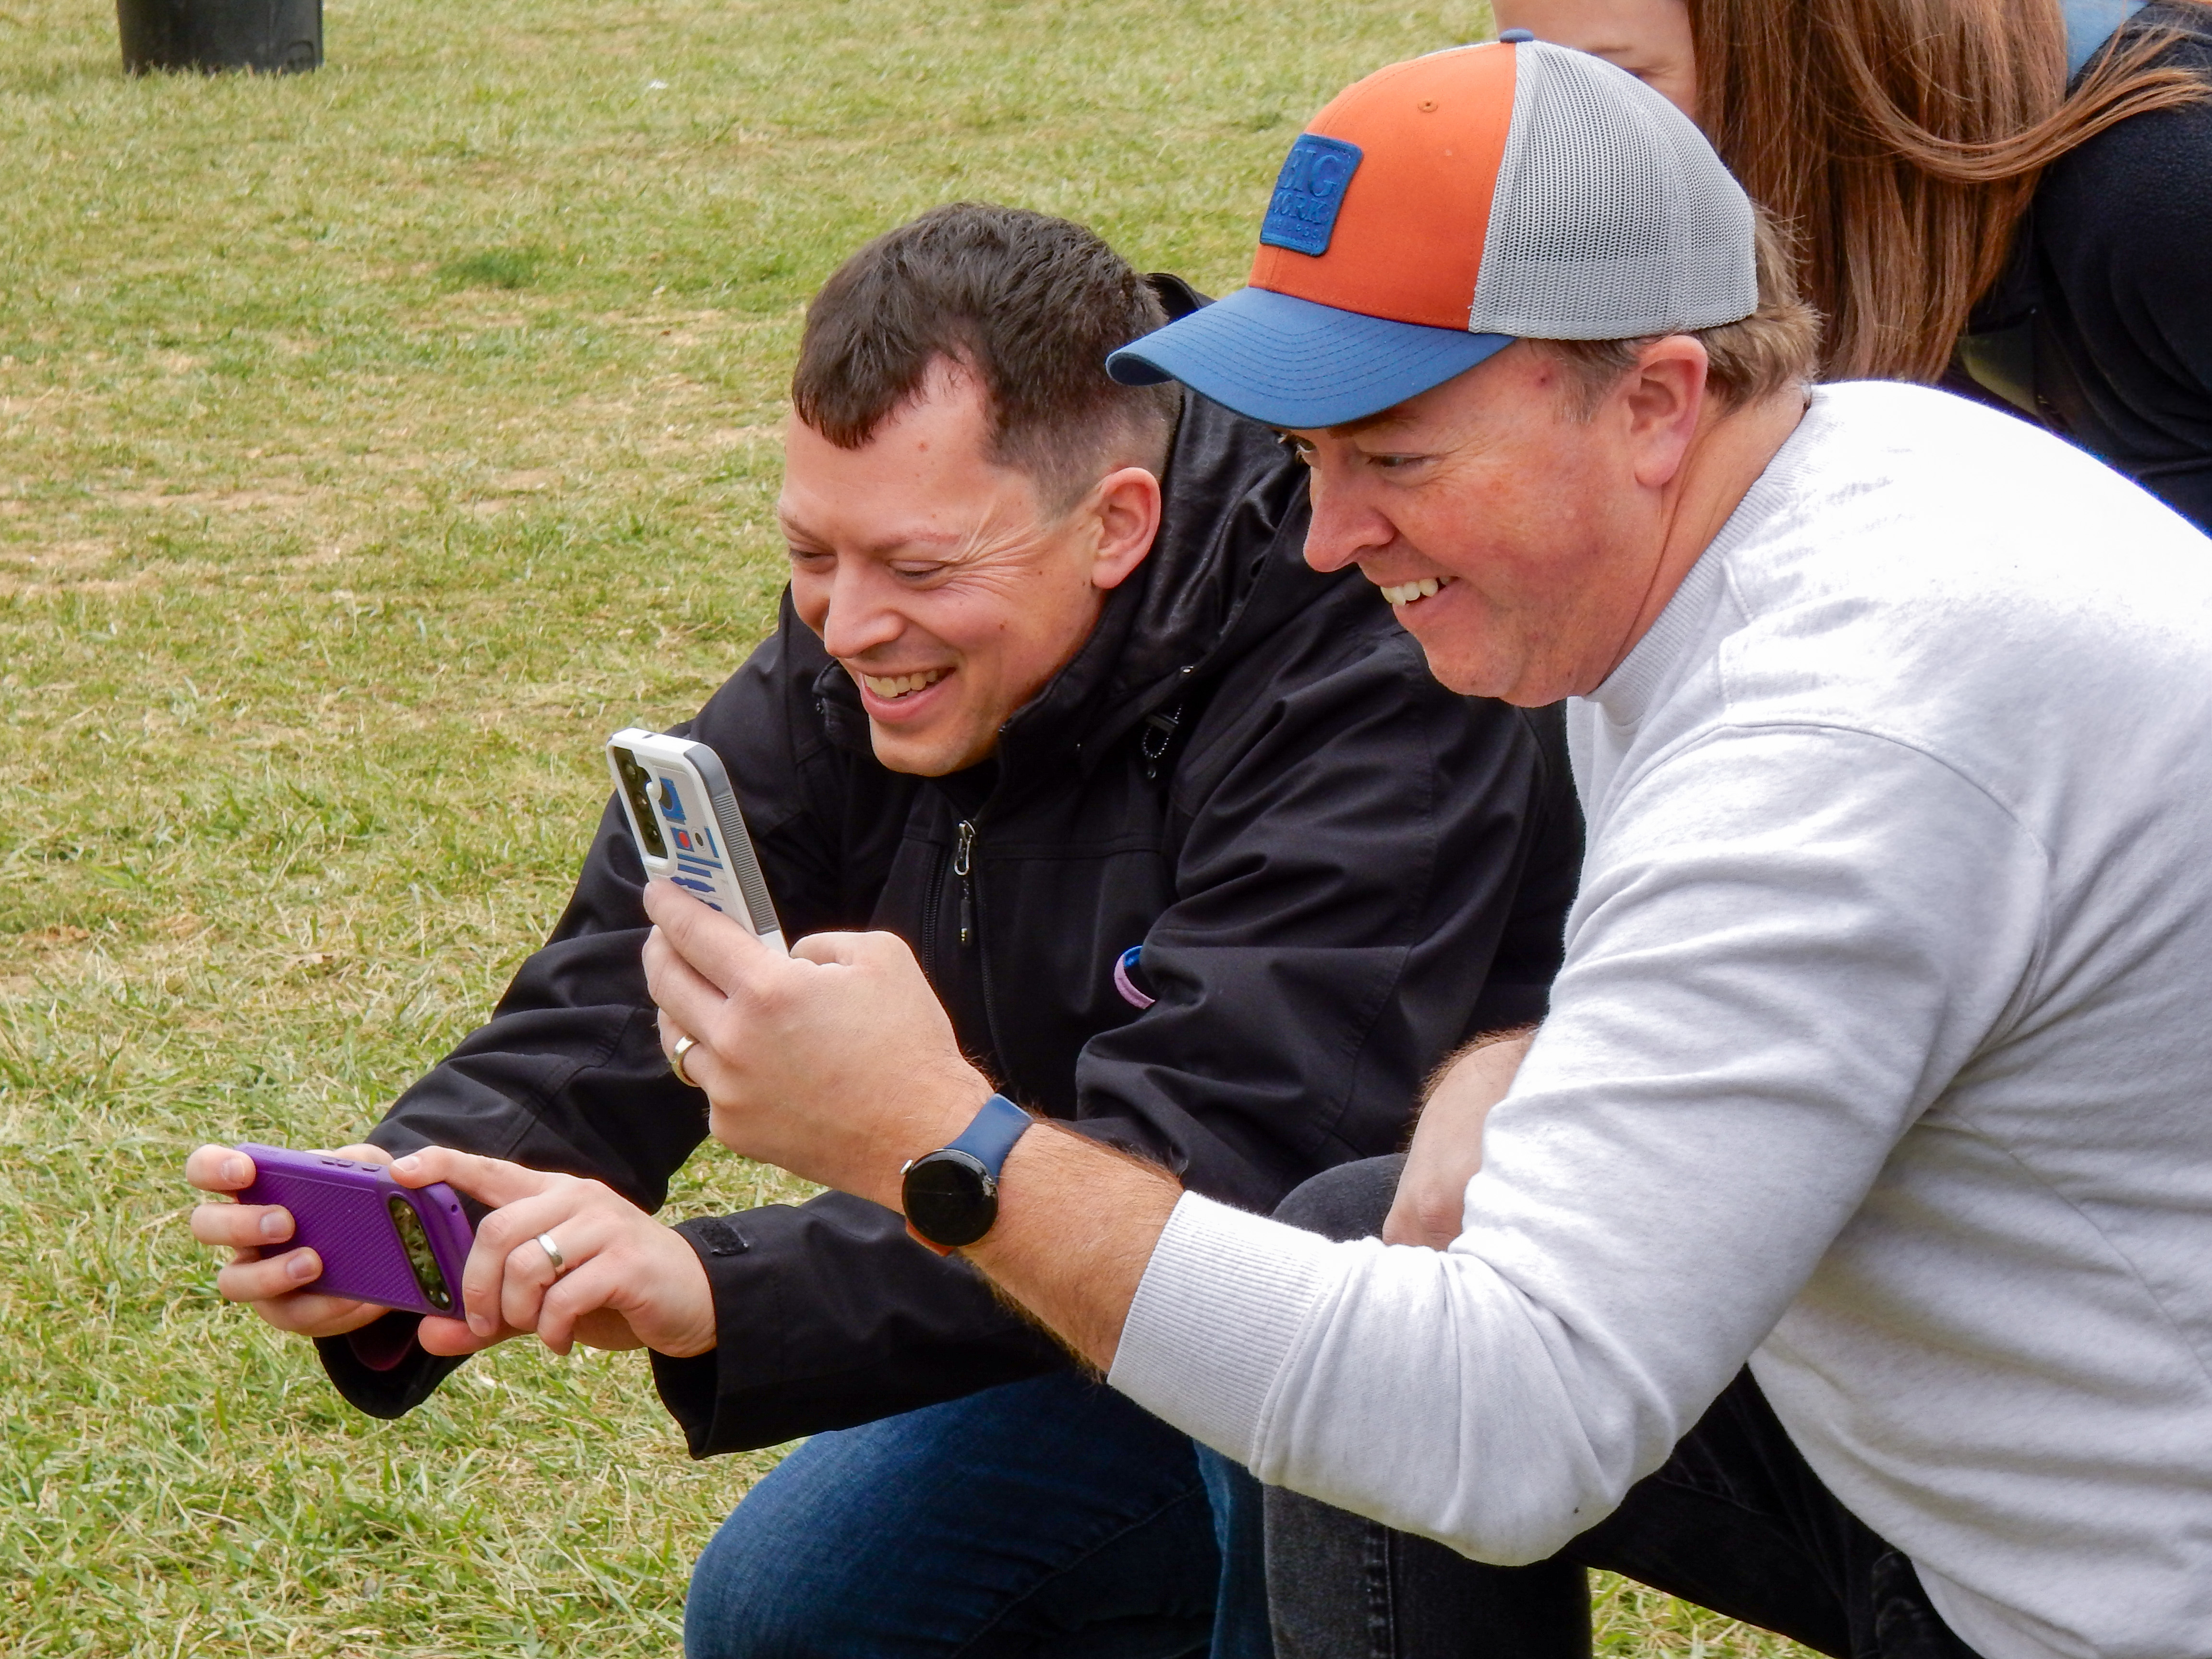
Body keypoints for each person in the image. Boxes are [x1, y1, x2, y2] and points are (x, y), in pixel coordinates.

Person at [593, 38, 2212, 1659]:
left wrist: (937, 1138)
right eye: (1309, 457)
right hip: (1945, 1446)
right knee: (1364, 1229)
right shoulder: (1800, 500)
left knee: (1407, 1377)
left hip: (2105, 1587)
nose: (1328, 535)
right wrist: (1529, 1059)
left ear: (1655, 399)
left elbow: (1501, 1432)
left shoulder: (1833, 731)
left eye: (1395, 455)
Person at [185, 203, 1585, 1658]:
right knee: (798, 1613)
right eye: (813, 553)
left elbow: (1237, 1161)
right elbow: (629, 979)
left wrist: (717, 1286)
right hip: (1060, 1267)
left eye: (916, 571)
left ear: (1117, 523)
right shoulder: (872, 639)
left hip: (1373, 1312)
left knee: (1269, 1387)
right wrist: (416, 1199)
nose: (848, 626)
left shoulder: (1359, 655)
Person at [1491, 0, 2212, 530]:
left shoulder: (2165, 178)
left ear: (1805, 49)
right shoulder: (1844, 212)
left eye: (1626, 82)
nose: (1576, 157)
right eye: (1544, 89)